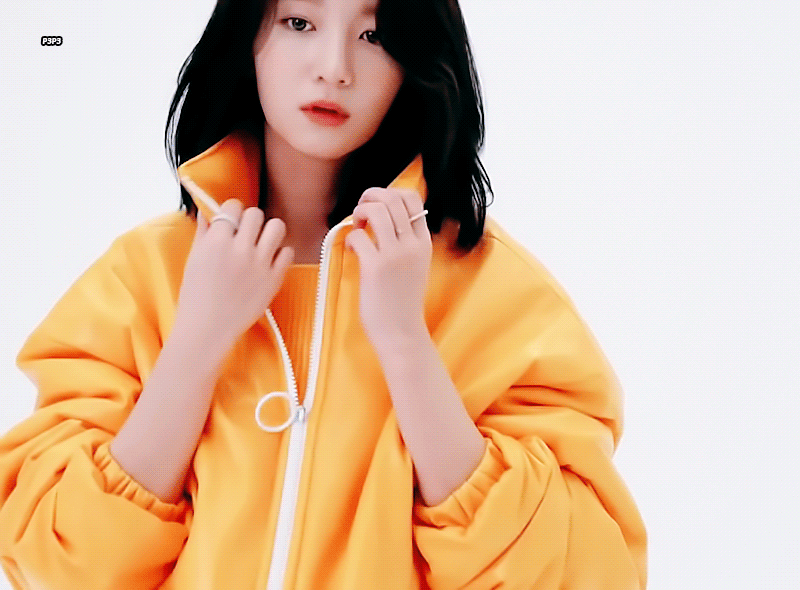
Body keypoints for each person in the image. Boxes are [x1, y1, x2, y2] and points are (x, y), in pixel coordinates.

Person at [0, 0, 647, 588]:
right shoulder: (144, 276)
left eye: (374, 35)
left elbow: (570, 571)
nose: (334, 68)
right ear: (248, 35)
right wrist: (198, 339)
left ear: (416, 59)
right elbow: (64, 562)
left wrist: (405, 341)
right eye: (299, 22)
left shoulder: (496, 293)